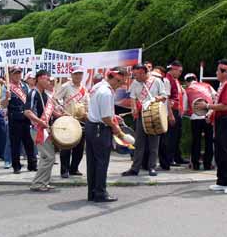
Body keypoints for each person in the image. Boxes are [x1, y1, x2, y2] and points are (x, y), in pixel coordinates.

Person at [195, 59, 227, 194]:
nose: (216, 72)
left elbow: (225, 106)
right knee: (220, 152)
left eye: (218, 70)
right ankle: (223, 181)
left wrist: (207, 106)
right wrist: (211, 115)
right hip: (221, 120)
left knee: (226, 152)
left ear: (225, 72)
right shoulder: (223, 84)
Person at [86, 67, 128, 202]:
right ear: (111, 77)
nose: (120, 84)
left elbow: (99, 110)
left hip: (91, 126)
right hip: (100, 129)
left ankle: (92, 192)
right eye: (118, 80)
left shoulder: (97, 86)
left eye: (122, 82)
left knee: (92, 162)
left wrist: (112, 115)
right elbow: (105, 118)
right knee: (102, 162)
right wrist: (119, 131)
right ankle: (100, 193)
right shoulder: (106, 92)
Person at [121, 64, 167, 177]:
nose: (134, 76)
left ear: (142, 72)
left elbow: (164, 96)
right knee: (139, 143)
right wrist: (134, 108)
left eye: (136, 74)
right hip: (141, 115)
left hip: (154, 115)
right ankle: (135, 168)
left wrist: (155, 99)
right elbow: (132, 97)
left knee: (153, 143)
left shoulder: (156, 81)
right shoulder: (136, 83)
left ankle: (152, 167)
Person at [24, 70, 63, 192]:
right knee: (49, 156)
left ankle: (43, 182)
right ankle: (38, 183)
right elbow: (27, 112)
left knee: (47, 157)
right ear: (39, 79)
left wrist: (63, 116)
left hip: (44, 129)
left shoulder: (45, 95)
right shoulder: (33, 93)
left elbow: (51, 112)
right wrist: (39, 121)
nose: (49, 82)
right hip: (38, 129)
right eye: (47, 79)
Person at [54, 65, 89, 178]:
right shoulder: (66, 86)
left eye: (80, 74)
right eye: (76, 74)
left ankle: (74, 168)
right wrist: (61, 110)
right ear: (71, 75)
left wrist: (86, 113)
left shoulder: (84, 89)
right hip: (68, 120)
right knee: (66, 146)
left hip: (81, 121)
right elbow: (55, 100)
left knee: (79, 147)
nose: (78, 76)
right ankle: (64, 170)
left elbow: (87, 104)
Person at [6, 66, 37, 174]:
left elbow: (29, 102)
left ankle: (32, 165)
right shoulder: (7, 87)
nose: (18, 75)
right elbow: (3, 105)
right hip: (14, 118)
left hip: (26, 117)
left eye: (19, 73)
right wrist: (6, 97)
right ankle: (16, 166)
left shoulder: (25, 86)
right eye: (15, 73)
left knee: (29, 142)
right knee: (15, 143)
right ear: (10, 74)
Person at [184, 73, 216, 171]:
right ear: (196, 79)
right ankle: (208, 164)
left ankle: (195, 164)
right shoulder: (207, 86)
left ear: (186, 82)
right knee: (209, 141)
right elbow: (216, 98)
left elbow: (185, 107)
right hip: (208, 116)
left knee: (196, 141)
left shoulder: (187, 90)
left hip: (195, 118)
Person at [165, 61, 188, 167]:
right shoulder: (167, 80)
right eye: (179, 71)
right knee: (171, 137)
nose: (180, 73)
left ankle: (177, 157)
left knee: (177, 135)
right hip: (171, 110)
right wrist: (170, 115)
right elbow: (167, 99)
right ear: (173, 69)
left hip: (177, 110)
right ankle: (169, 159)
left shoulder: (176, 80)